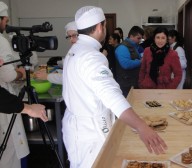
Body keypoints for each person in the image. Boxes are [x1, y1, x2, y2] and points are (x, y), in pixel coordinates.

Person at [62, 6, 167, 168]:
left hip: (77, 127)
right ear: (99, 27)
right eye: (104, 26)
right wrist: (141, 126)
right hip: (89, 132)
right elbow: (111, 95)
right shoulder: (91, 57)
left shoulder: (75, 50)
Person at [0, 2, 32, 167]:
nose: (6, 23)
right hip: (3, 105)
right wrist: (21, 72)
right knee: (9, 154)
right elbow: (8, 75)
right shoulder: (1, 40)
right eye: (5, 20)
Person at [115, 26, 144, 97]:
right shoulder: (122, 47)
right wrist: (140, 61)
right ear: (131, 36)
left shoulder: (134, 46)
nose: (140, 40)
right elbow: (126, 64)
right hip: (125, 84)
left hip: (132, 82)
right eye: (138, 38)